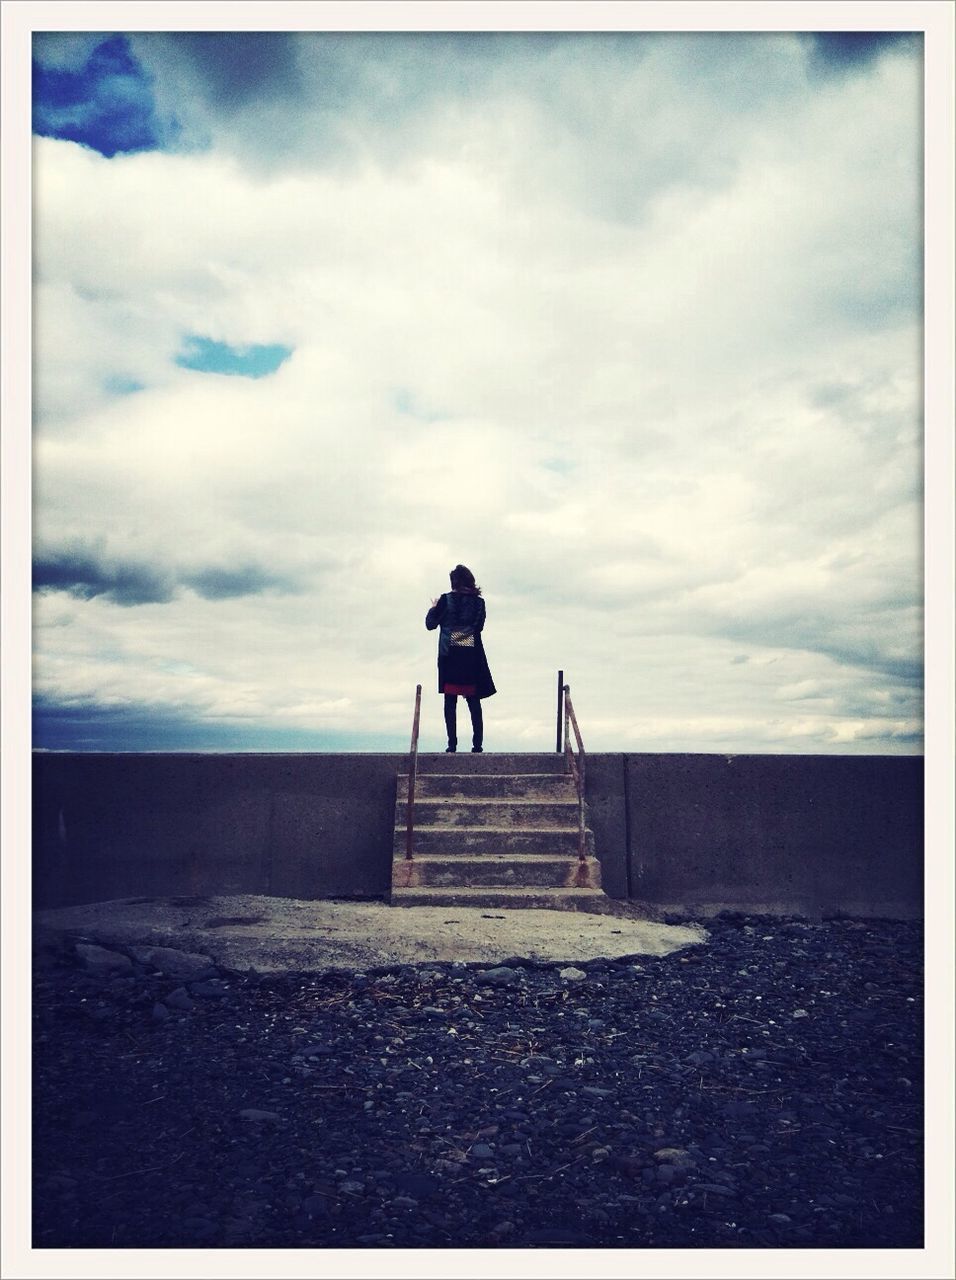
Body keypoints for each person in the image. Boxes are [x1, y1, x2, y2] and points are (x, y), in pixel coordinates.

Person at [425, 564, 496, 752]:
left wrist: (433, 608)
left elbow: (430, 625)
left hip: (450, 656)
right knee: (474, 701)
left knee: (450, 701)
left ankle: (452, 745)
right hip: (471, 656)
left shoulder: (445, 600)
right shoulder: (480, 603)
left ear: (453, 582)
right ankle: (477, 746)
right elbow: (478, 627)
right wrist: (463, 636)